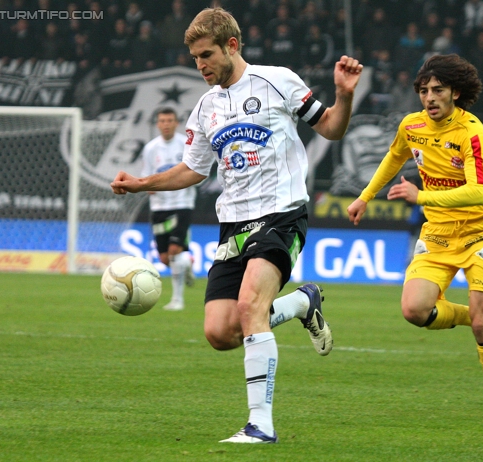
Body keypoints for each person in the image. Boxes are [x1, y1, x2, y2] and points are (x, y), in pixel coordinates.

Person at [111, 7, 363, 443]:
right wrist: (141, 184)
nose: (200, 65)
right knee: (220, 332)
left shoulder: (277, 80)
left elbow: (332, 129)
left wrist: (344, 96)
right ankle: (303, 303)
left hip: (282, 213)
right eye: (194, 58)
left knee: (250, 308)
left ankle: (260, 425)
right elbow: (192, 170)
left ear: (232, 45)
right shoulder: (206, 107)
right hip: (233, 225)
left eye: (206, 54)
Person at [347, 54, 483, 418]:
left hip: (481, 233)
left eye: (437, 90)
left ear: (455, 92)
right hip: (437, 234)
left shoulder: (472, 132)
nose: (429, 98)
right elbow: (393, 158)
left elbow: (479, 190)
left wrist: (420, 195)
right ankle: (476, 316)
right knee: (414, 309)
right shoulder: (412, 126)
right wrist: (364, 196)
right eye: (424, 91)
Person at [141, 107, 196, 311]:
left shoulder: (186, 144)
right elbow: (147, 176)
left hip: (182, 204)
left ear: (176, 123)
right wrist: (149, 188)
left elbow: (195, 172)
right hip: (159, 207)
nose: (166, 124)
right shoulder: (150, 149)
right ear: (157, 124)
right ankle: (187, 264)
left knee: (174, 251)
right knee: (165, 258)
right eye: (162, 120)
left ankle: (177, 300)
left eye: (170, 120)